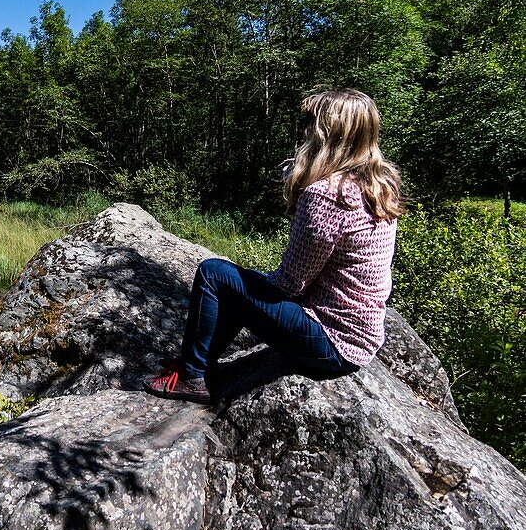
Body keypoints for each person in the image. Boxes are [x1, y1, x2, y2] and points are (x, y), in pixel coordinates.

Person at [145, 88, 404, 403]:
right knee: (238, 283)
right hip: (361, 337)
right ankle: (197, 366)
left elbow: (289, 285)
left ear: (328, 135)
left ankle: (191, 376)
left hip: (330, 340)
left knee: (214, 274)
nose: (306, 132)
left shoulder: (326, 194)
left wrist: (303, 187)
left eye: (311, 125)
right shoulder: (378, 188)